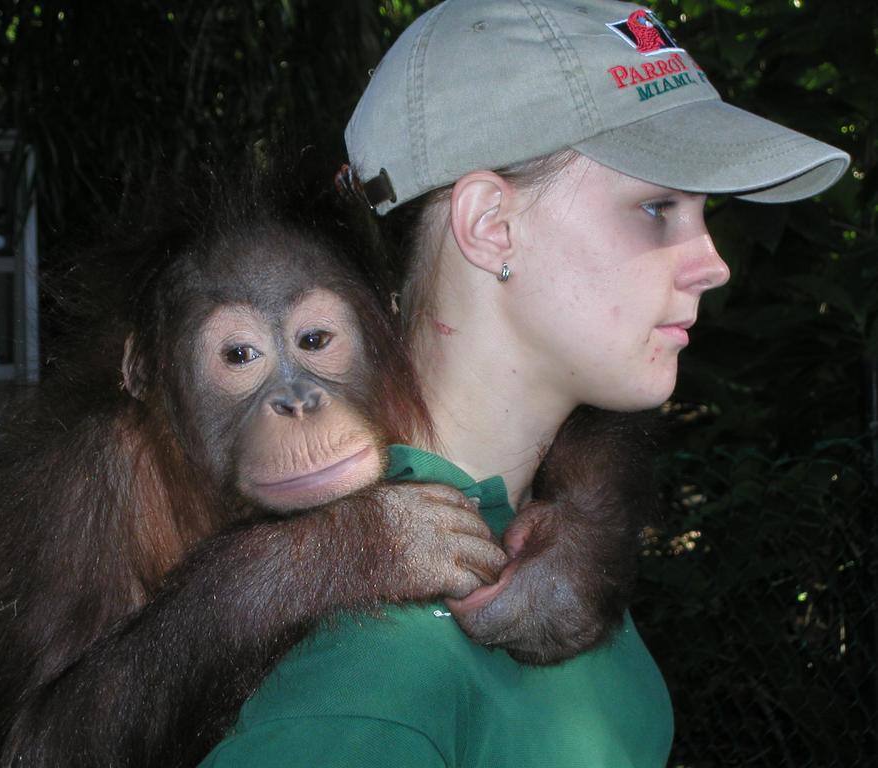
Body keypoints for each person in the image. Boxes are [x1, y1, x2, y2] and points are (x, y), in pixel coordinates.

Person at [200, 1, 849, 765]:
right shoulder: (368, 685)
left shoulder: (542, 535)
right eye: (657, 207)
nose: (713, 262)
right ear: (491, 226)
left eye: (699, 212)